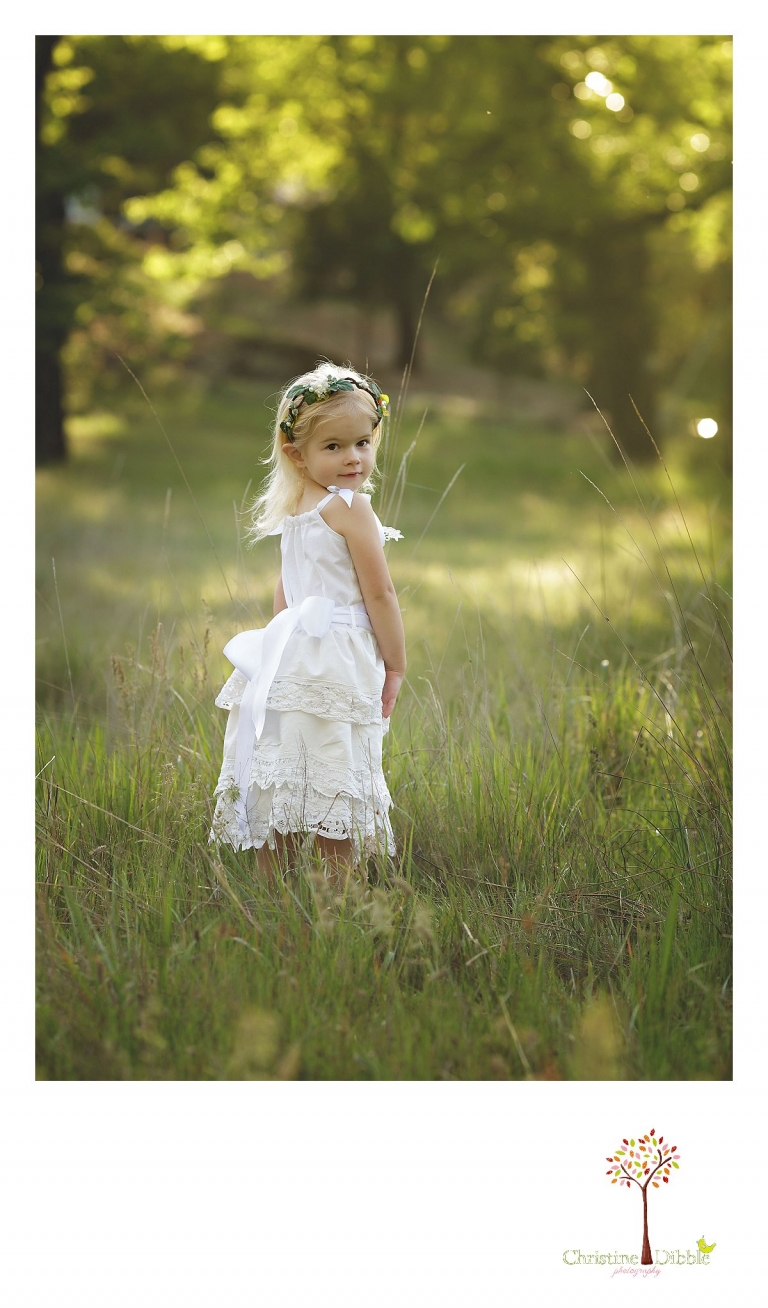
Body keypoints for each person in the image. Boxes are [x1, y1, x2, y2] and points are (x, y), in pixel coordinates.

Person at [210, 362, 406, 883]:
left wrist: (281, 644)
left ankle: (272, 893)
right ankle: (336, 902)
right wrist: (397, 665)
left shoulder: (297, 503)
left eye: (362, 442)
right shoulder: (351, 509)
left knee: (290, 774)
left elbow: (286, 587)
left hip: (294, 650)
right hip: (337, 656)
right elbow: (380, 594)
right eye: (334, 447)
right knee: (333, 772)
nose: (353, 458)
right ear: (296, 453)